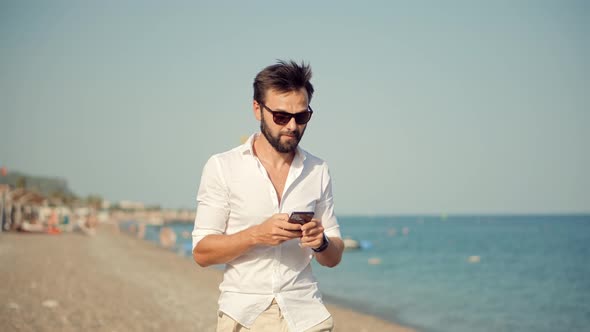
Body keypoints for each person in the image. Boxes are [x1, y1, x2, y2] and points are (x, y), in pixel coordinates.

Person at [192, 60, 344, 332]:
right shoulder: (222, 167)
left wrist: (320, 242)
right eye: (281, 116)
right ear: (257, 109)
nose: (292, 126)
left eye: (302, 116)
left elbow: (333, 257)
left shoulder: (318, 170)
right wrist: (256, 235)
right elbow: (202, 253)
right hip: (245, 316)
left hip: (307, 316)